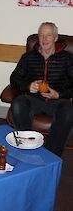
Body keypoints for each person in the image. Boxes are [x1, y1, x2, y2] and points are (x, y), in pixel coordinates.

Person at [10, 22, 73, 157]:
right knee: (18, 103)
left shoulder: (68, 58)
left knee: (69, 110)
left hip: (58, 101)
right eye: (41, 35)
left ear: (55, 38)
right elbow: (15, 78)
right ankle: (26, 148)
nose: (44, 40)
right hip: (34, 99)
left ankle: (50, 155)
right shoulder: (28, 57)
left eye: (48, 35)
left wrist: (59, 94)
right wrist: (28, 86)